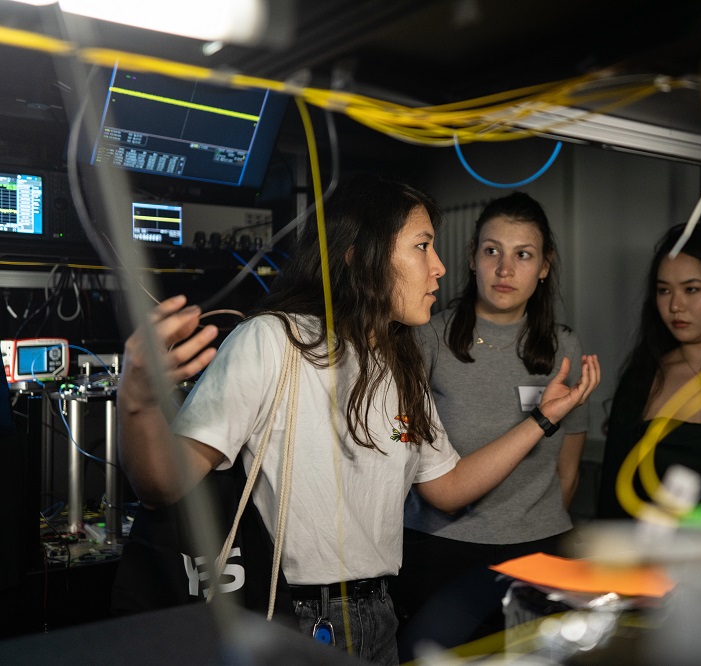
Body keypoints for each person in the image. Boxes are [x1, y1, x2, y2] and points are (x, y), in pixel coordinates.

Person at [116, 174, 600, 665]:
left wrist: (542, 418)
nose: (439, 267)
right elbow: (162, 485)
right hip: (291, 614)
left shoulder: (400, 362)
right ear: (359, 254)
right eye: (422, 246)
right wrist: (136, 398)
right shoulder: (273, 341)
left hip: (380, 616)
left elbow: (447, 486)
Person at [393, 192, 591, 659]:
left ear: (544, 266)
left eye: (523, 255)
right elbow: (411, 462)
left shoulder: (565, 347)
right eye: (492, 251)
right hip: (443, 550)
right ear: (472, 257)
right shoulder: (426, 337)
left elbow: (569, 471)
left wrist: (527, 525)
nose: (505, 269)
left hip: (539, 551)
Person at [596, 223, 701, 519]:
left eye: (692, 289)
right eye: (664, 290)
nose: (676, 305)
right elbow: (613, 497)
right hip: (655, 553)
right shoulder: (643, 379)